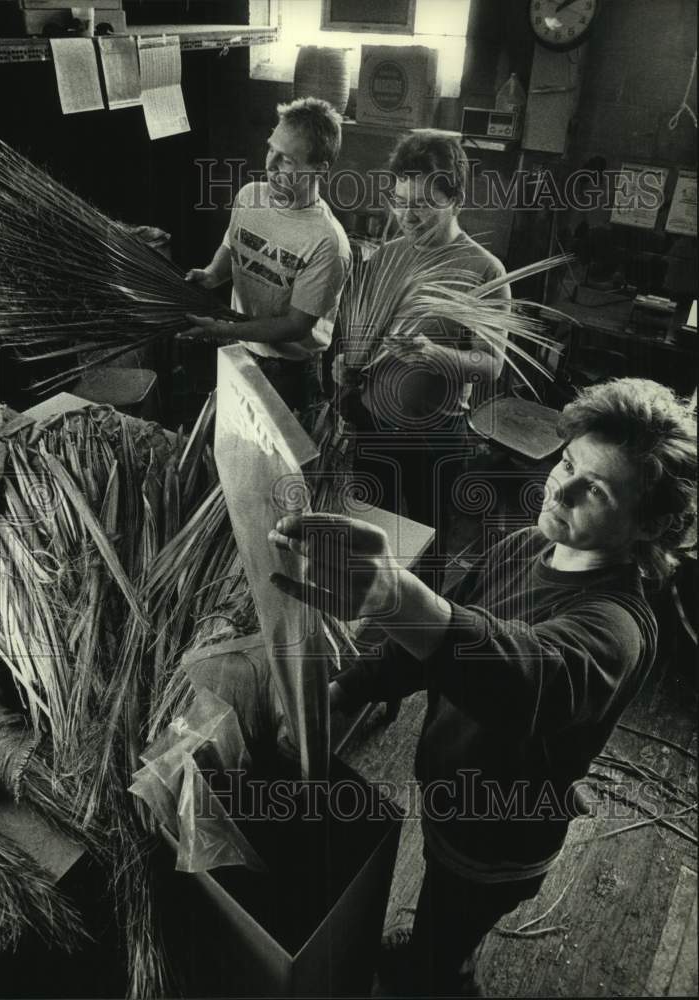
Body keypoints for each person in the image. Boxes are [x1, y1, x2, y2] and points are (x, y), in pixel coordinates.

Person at [268, 377, 697, 996]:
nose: (563, 487)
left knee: (455, 919)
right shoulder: (525, 546)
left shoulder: (618, 627)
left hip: (499, 834)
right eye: (569, 462)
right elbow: (436, 644)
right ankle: (434, 946)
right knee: (444, 898)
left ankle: (441, 972)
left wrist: (399, 598)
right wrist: (351, 688)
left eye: (595, 490)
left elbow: (526, 678)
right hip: (452, 799)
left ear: (647, 525)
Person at [334, 131, 510, 545]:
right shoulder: (388, 255)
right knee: (370, 544)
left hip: (433, 443)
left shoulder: (484, 272)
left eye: (424, 205)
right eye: (400, 201)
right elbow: (365, 335)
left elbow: (491, 366)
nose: (407, 216)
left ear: (456, 201)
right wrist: (349, 366)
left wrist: (434, 355)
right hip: (372, 428)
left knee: (423, 549)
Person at [183, 97, 351, 413]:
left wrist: (221, 329)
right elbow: (233, 248)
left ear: (320, 169)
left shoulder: (328, 242)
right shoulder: (250, 197)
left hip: (289, 374)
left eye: (286, 160)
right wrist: (211, 274)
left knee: (280, 462)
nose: (270, 166)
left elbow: (294, 326)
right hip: (239, 349)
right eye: (271, 149)